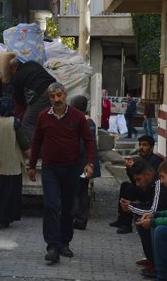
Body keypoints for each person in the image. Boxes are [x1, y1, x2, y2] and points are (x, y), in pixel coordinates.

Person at [28, 82, 96, 264]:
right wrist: (32, 165)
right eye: (52, 96)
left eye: (59, 95)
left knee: (68, 208)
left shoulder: (78, 117)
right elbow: (36, 143)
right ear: (49, 98)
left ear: (65, 95)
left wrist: (89, 163)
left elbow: (89, 141)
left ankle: (65, 241)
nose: (56, 99)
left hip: (72, 168)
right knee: (51, 206)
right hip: (50, 168)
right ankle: (52, 246)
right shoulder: (43, 117)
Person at [118, 157, 167, 278]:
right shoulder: (151, 185)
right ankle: (151, 259)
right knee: (139, 215)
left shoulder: (159, 184)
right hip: (163, 215)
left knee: (144, 220)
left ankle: (156, 263)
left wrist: (131, 207)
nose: (137, 184)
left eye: (139, 180)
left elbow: (153, 211)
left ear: (148, 175)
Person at [0, 96, 31, 227]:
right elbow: (24, 144)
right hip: (11, 166)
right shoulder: (16, 122)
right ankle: (6, 218)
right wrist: (32, 157)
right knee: (9, 194)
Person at [110, 135, 164, 234]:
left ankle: (126, 225)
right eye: (140, 145)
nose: (141, 148)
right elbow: (135, 181)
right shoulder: (139, 159)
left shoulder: (155, 160)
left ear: (151, 147)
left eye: (145, 145)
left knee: (129, 189)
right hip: (143, 189)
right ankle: (121, 218)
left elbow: (149, 179)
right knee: (125, 185)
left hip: (151, 192)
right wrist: (130, 169)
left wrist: (133, 167)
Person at [69, 95, 101, 231]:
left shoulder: (79, 121)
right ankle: (80, 220)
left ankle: (77, 218)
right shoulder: (90, 122)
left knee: (76, 191)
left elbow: (82, 145)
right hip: (86, 164)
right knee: (82, 191)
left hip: (80, 164)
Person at [6, 59, 56, 144]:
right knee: (49, 120)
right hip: (55, 87)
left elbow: (20, 100)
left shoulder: (17, 77)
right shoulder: (32, 63)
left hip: (42, 94)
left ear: (13, 68)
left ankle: (38, 151)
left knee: (27, 123)